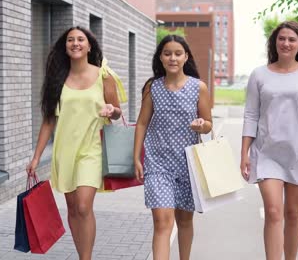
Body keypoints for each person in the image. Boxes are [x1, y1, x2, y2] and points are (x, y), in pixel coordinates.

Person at [26, 26, 123, 260]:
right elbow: (49, 120)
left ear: (90, 46)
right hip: (64, 151)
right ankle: (82, 255)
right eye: (70, 40)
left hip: (93, 149)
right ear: (65, 47)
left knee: (83, 206)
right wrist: (36, 157)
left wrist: (112, 111)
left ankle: (86, 257)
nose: (75, 43)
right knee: (71, 208)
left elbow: (118, 112)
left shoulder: (104, 75)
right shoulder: (58, 80)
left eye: (81, 39)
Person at [240, 21, 298, 260]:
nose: (286, 43)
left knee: (294, 214)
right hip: (267, 153)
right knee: (274, 212)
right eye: (281, 38)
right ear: (274, 43)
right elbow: (251, 115)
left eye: (291, 39)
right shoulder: (259, 74)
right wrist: (244, 153)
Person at [133, 35, 212, 260]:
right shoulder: (153, 87)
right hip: (158, 164)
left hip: (188, 164)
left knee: (185, 221)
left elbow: (208, 125)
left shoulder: (199, 87)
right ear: (161, 57)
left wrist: (201, 125)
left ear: (186, 57)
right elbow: (142, 122)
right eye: (167, 53)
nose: (173, 58)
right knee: (162, 221)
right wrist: (137, 157)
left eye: (178, 53)